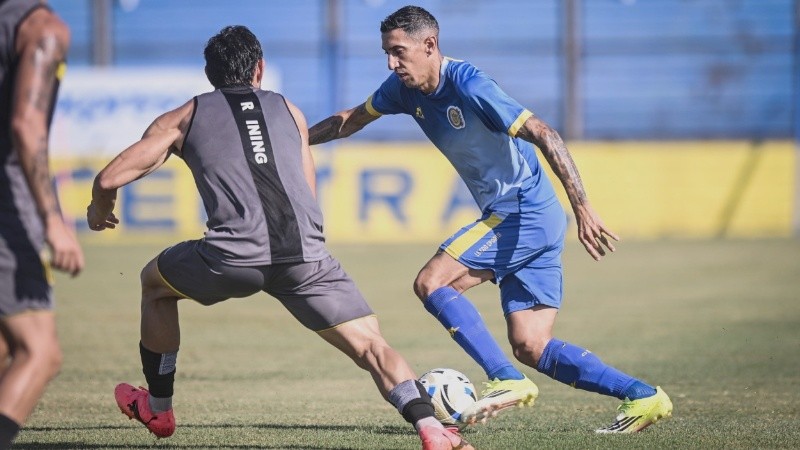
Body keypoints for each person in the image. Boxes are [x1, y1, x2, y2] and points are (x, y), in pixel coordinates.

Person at [86, 25, 473, 450]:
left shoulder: (183, 117)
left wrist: (100, 210)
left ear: (210, 74)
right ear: (259, 69)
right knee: (372, 346)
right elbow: (308, 191)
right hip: (306, 256)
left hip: (232, 257)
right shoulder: (290, 110)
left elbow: (108, 179)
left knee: (154, 285)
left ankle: (158, 407)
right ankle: (430, 428)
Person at [308, 5, 673, 433]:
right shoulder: (402, 89)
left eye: (398, 52)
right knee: (532, 345)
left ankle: (505, 379)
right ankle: (643, 396)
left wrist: (583, 206)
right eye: (387, 53)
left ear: (429, 45)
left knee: (432, 282)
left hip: (523, 210)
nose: (391, 63)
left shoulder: (470, 83)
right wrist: (293, 141)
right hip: (530, 217)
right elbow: (349, 121)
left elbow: (545, 133)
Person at [0, 1, 84, 448]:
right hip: (7, 203)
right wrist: (53, 219)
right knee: (40, 352)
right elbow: (26, 123)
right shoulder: (44, 28)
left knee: (4, 345)